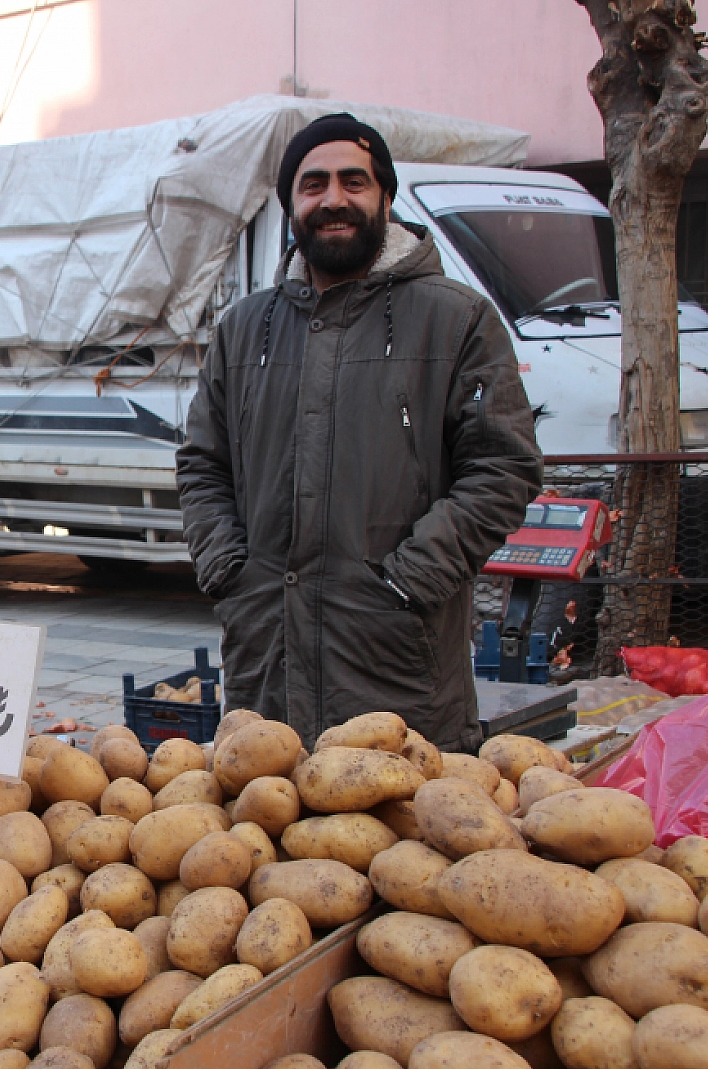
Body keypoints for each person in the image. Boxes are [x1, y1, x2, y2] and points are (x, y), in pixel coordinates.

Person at [176, 113, 543, 753]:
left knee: (410, 841)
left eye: (354, 181)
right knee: (269, 839)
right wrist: (228, 568)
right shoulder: (245, 329)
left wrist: (409, 579)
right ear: (292, 205)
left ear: (385, 197)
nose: (334, 199)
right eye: (312, 184)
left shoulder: (456, 320)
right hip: (268, 666)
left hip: (398, 665)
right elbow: (203, 466)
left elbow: (502, 469)